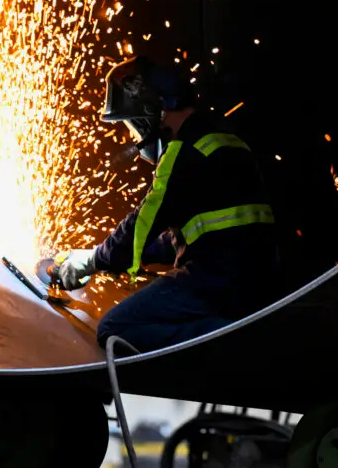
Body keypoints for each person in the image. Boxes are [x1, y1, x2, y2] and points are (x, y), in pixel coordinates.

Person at [45, 55, 278, 353]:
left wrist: (93, 260)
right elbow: (198, 231)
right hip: (253, 277)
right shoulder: (224, 141)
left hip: (217, 280)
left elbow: (142, 224)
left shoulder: (181, 153)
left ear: (151, 109)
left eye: (132, 124)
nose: (134, 135)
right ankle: (234, 335)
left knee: (115, 328)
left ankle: (234, 341)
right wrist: (128, 258)